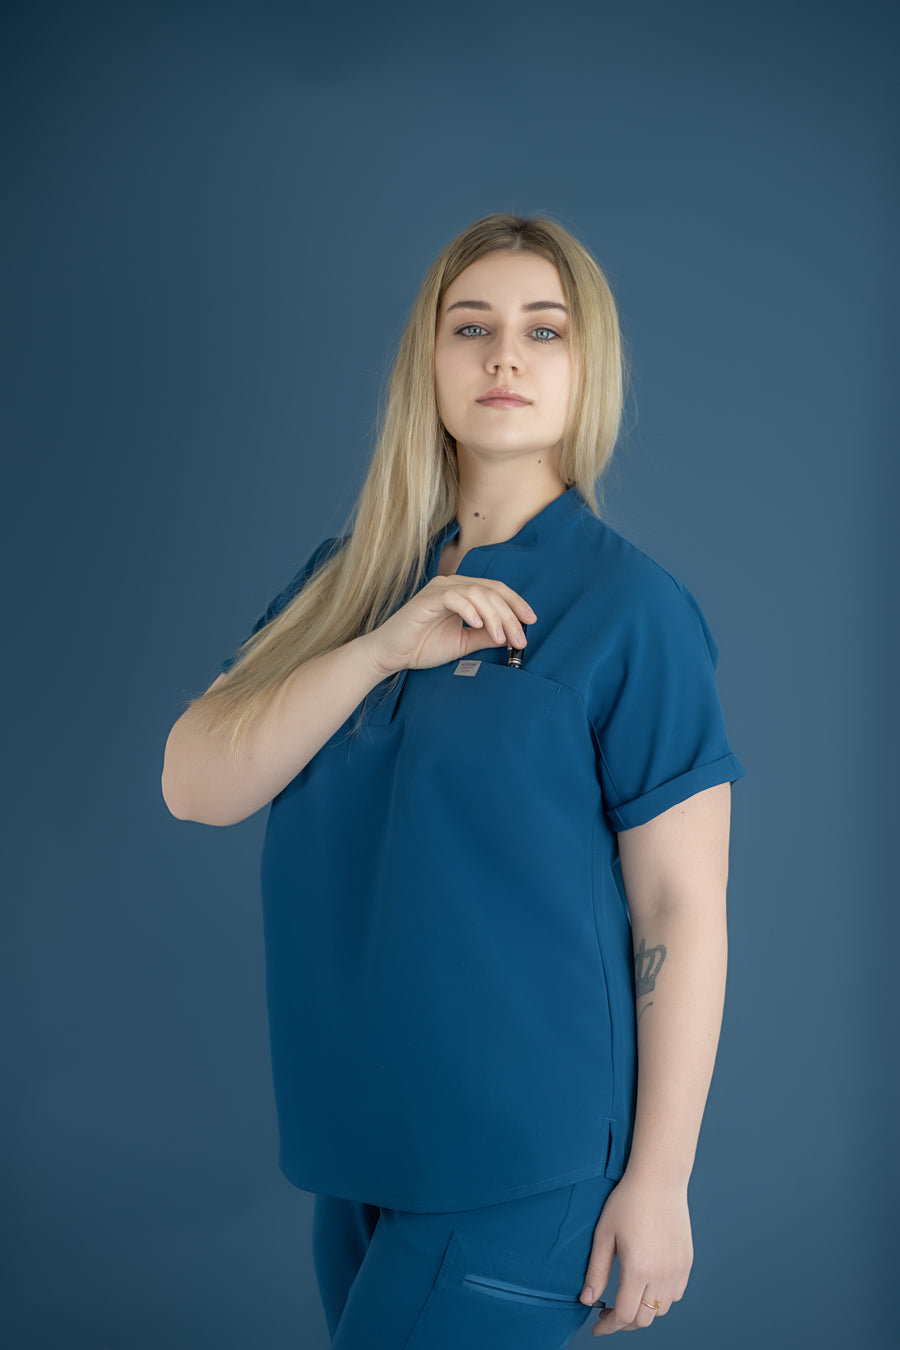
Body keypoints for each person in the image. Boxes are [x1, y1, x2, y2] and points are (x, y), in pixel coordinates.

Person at [162, 212, 745, 1348]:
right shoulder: (345, 584)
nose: (505, 356)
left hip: (523, 1163)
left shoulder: (630, 610)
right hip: (358, 1155)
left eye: (545, 330)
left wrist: (663, 1180)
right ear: (427, 362)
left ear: (587, 367)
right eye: (471, 327)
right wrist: (380, 648)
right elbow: (196, 783)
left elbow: (682, 908)